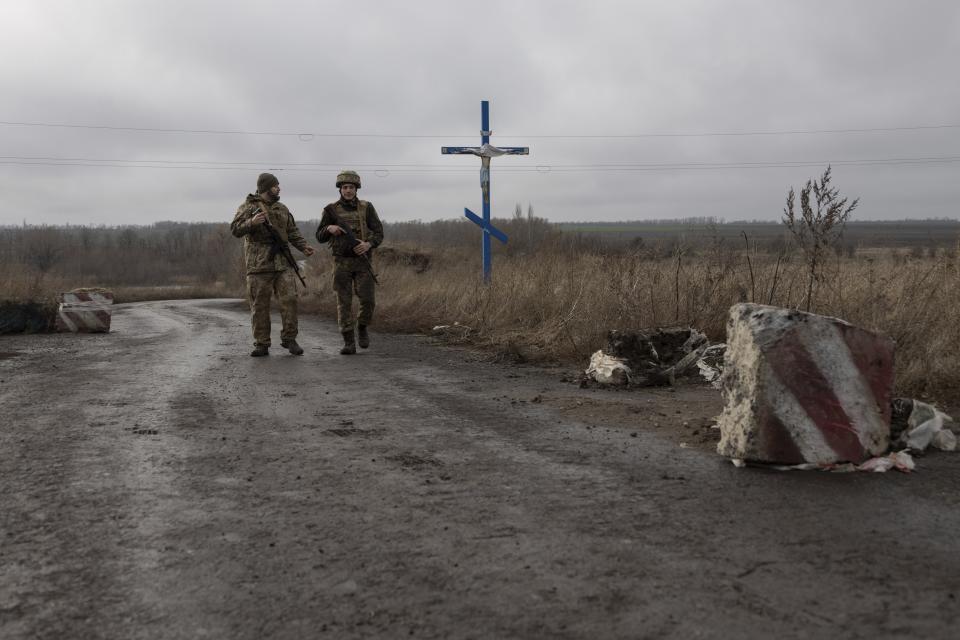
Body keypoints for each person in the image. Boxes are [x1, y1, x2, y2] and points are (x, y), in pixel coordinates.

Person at [231, 172, 315, 357]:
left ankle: (290, 339)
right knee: (260, 305)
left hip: (283, 264)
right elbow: (235, 229)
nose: (279, 188)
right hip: (259, 265)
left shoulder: (282, 208)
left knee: (290, 300)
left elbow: (292, 231)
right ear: (266, 188)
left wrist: (304, 247)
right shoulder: (248, 206)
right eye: (276, 185)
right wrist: (251, 222)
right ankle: (262, 343)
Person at [315, 170, 384, 355]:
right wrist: (329, 228)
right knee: (343, 303)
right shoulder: (331, 209)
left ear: (356, 189)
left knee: (368, 301)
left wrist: (368, 244)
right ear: (340, 189)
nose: (348, 191)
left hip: (363, 262)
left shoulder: (366, 208)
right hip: (341, 263)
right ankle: (348, 341)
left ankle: (362, 327)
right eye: (344, 187)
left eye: (351, 187)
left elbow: (379, 232)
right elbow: (319, 236)